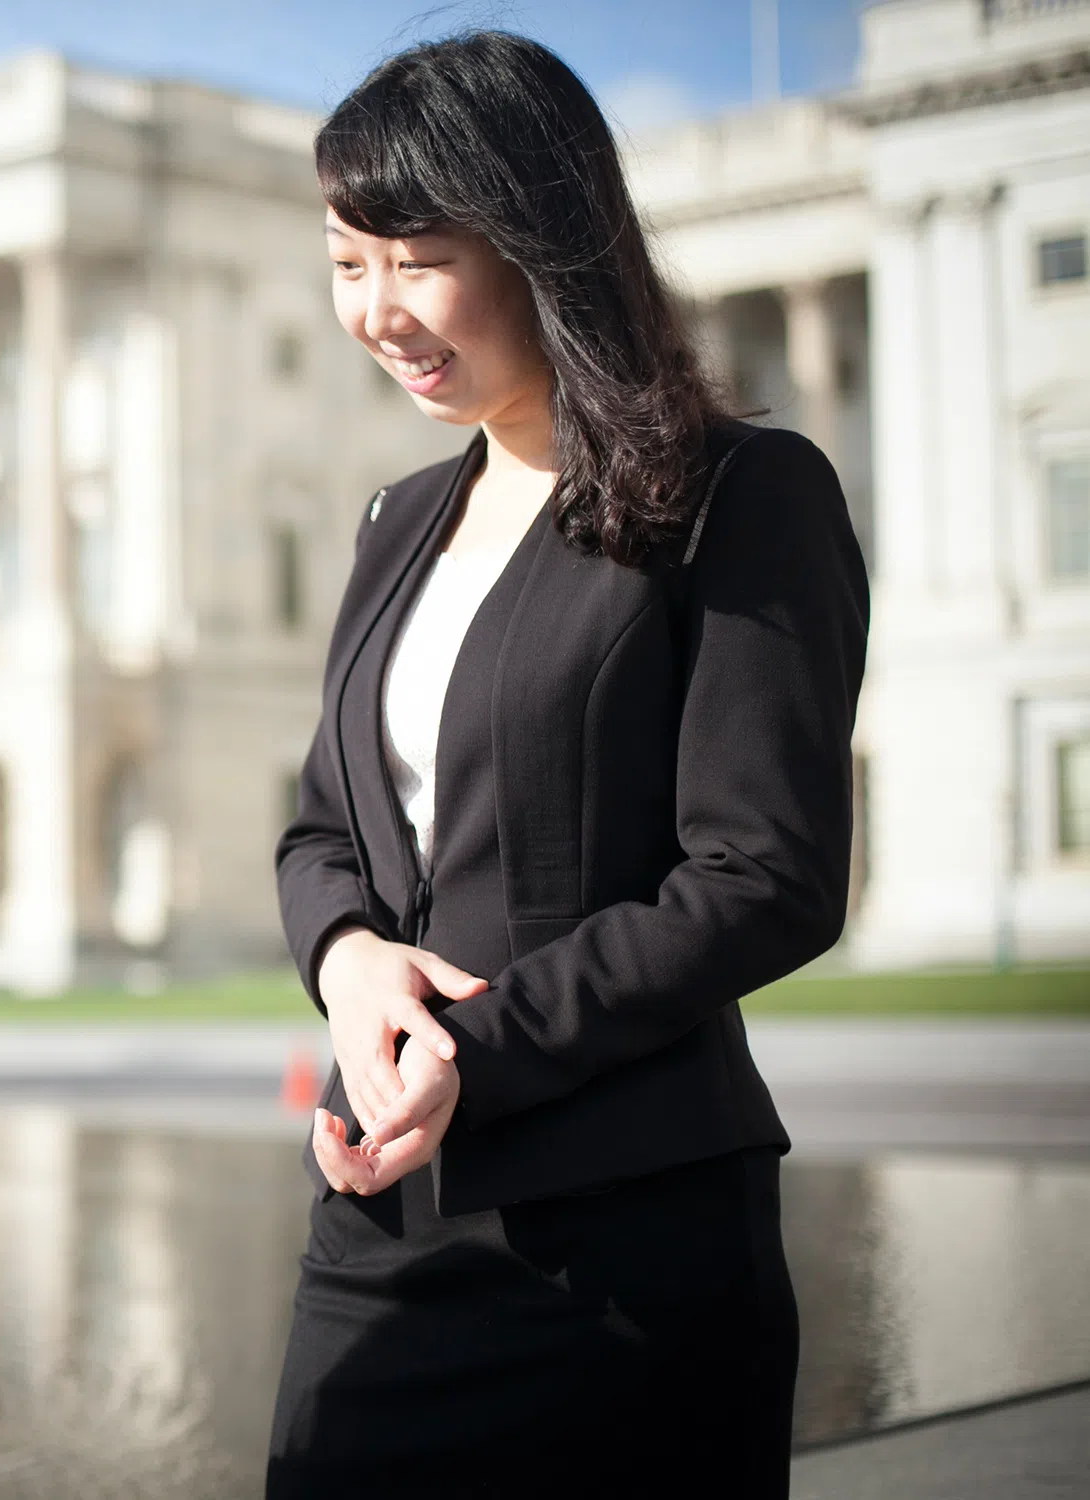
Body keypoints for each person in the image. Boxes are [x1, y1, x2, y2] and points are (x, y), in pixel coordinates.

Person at [267, 32, 868, 1500]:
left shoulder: (740, 493)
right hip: (378, 1218)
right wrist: (346, 964)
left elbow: (764, 879)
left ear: (539, 237)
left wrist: (472, 1049)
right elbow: (320, 830)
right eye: (347, 263)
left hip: (626, 1244)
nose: (376, 311)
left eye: (415, 258)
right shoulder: (393, 521)